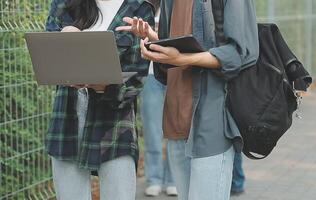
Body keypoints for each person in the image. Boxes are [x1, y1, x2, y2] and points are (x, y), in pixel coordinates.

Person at [117, 0, 259, 199]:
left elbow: (239, 54)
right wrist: (152, 38)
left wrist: (184, 59)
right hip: (177, 122)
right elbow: (173, 52)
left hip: (212, 124)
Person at [45, 0, 155, 199]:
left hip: (114, 125)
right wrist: (66, 35)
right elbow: (46, 57)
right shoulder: (64, 4)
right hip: (67, 120)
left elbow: (137, 78)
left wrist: (106, 86)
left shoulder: (139, 9)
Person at [141, 64, 177, 197]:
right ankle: (153, 179)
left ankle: (173, 180)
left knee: (175, 129)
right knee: (152, 130)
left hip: (177, 70)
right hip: (150, 73)